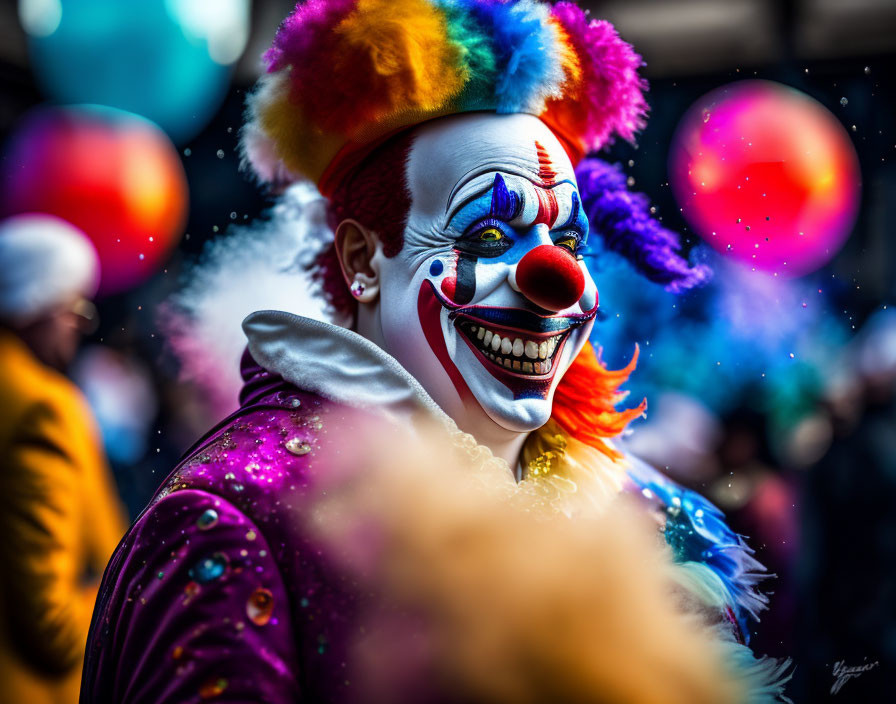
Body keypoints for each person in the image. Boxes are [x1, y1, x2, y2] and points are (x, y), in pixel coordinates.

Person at [83, 2, 790, 702]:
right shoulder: (240, 522)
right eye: (485, 237)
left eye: (567, 243)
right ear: (363, 259)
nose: (556, 283)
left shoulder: (644, 516)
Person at [0, 214, 127, 704]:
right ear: (36, 304)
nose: (79, 328)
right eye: (76, 308)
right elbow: (52, 627)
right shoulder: (44, 407)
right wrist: (131, 594)